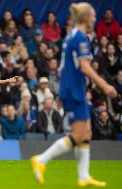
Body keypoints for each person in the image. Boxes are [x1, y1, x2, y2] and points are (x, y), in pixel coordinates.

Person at [31, 3, 117, 187]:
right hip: (73, 91)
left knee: (87, 132)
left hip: (72, 88)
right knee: (79, 135)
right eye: (93, 16)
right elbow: (85, 67)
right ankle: (41, 159)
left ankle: (84, 176)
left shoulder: (72, 35)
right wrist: (104, 85)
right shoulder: (80, 38)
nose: (95, 18)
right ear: (85, 18)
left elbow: (74, 65)